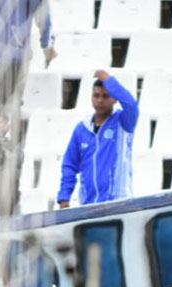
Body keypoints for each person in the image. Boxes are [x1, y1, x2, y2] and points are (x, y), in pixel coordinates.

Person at [57, 70, 138, 208]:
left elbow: (131, 105)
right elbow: (70, 164)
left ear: (115, 99)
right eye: (96, 95)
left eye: (106, 96)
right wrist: (64, 196)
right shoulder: (82, 128)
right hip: (88, 205)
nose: (100, 100)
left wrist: (109, 80)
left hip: (119, 204)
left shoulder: (123, 122)